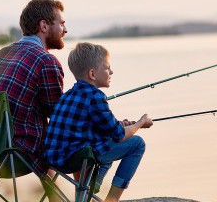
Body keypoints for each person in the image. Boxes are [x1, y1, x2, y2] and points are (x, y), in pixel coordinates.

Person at [44, 42, 154, 202]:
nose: (111, 72)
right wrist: (140, 123)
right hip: (76, 159)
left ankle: (90, 191)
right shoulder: (96, 97)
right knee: (137, 144)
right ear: (92, 74)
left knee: (104, 140)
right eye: (107, 68)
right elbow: (119, 135)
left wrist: (120, 124)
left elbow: (96, 124)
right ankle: (111, 199)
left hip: (54, 158)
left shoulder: (67, 95)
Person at [0, 0, 68, 177]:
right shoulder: (46, 61)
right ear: (44, 26)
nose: (65, 29)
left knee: (44, 134)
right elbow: (59, 116)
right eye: (62, 23)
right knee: (81, 139)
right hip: (15, 154)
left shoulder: (1, 54)